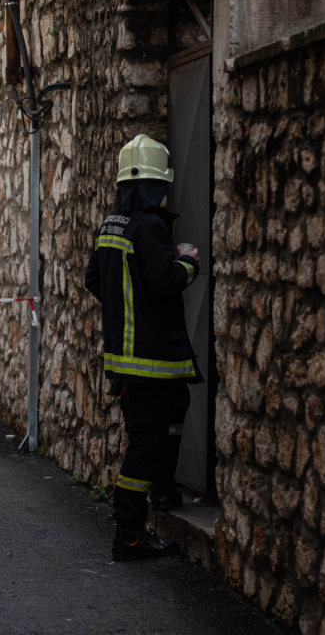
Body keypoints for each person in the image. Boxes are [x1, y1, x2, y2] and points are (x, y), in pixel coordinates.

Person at [83, 134, 203, 561]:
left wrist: (125, 307)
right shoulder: (149, 225)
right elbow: (165, 280)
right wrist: (188, 261)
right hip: (152, 358)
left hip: (129, 360)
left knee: (176, 407)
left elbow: (94, 280)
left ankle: (165, 490)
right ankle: (129, 535)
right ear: (156, 184)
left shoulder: (111, 224)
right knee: (146, 442)